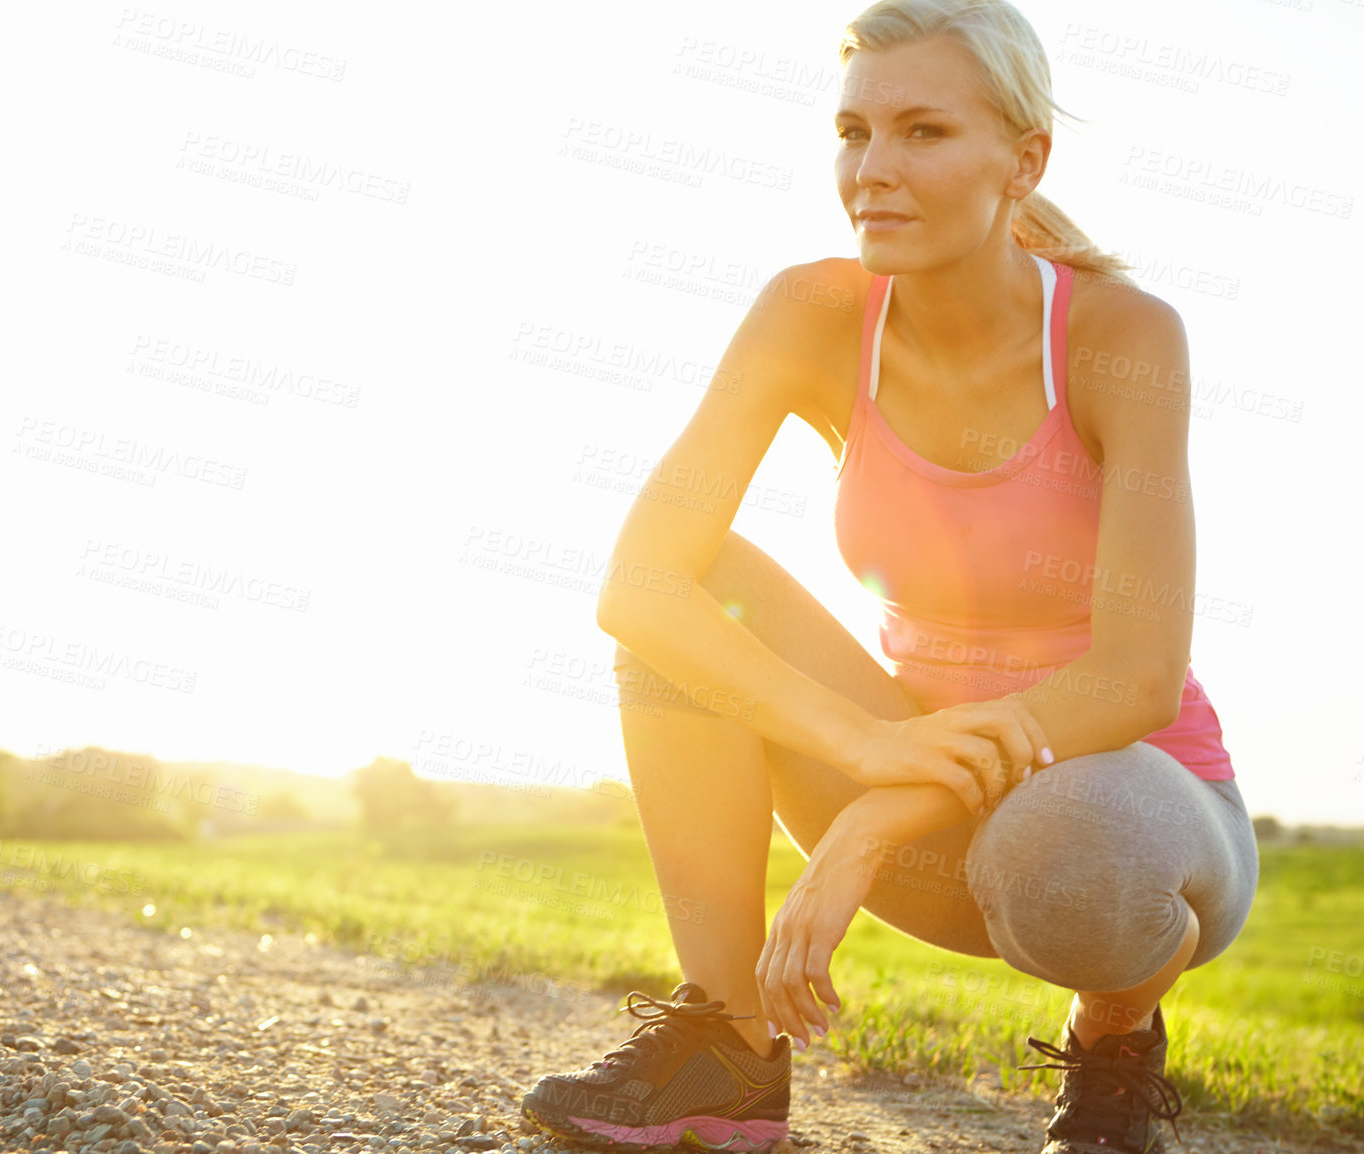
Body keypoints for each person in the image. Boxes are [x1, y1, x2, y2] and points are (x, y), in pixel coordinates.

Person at [518, 2, 1259, 1152]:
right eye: (852, 132)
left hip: (1131, 816)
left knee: (1061, 848)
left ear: (1024, 160)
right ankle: (727, 1044)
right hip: (927, 792)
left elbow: (1135, 676)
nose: (872, 170)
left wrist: (872, 813)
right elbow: (642, 582)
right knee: (693, 592)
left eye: (921, 132)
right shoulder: (810, 313)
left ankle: (1112, 1050)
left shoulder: (1123, 336)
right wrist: (860, 743)